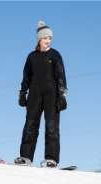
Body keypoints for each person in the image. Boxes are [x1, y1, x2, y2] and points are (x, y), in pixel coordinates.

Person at [16, 19, 69, 168]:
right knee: (30, 125)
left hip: (52, 95)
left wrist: (63, 95)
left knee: (52, 126)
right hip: (34, 94)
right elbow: (26, 77)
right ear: (39, 39)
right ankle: (25, 156)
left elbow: (61, 76)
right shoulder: (31, 57)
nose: (48, 41)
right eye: (45, 38)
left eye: (50, 38)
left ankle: (51, 159)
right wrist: (22, 93)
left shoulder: (55, 55)